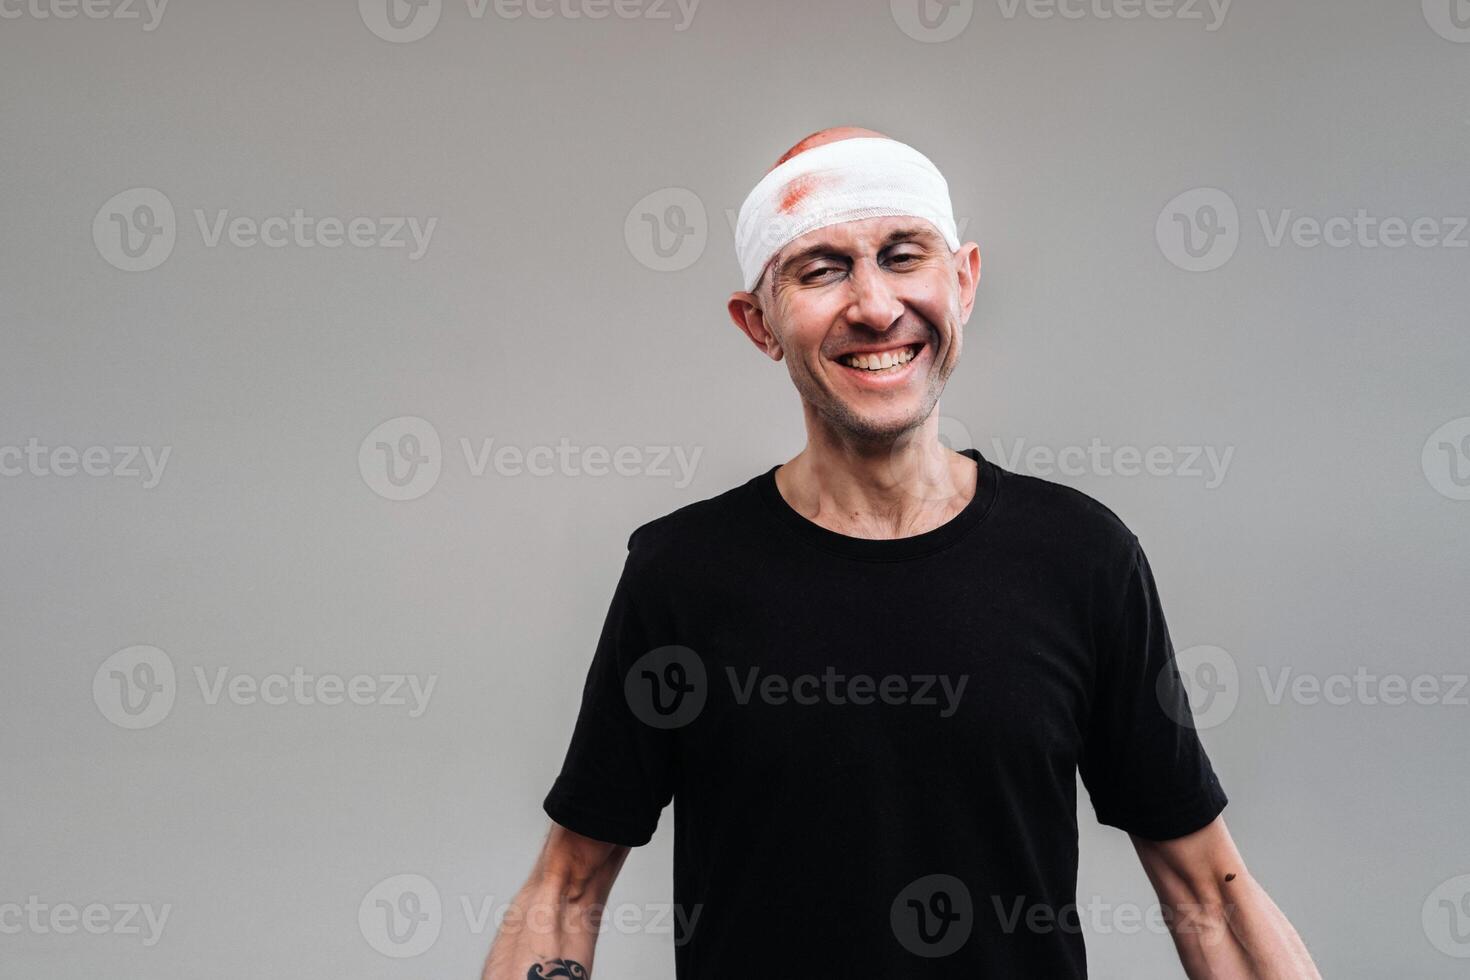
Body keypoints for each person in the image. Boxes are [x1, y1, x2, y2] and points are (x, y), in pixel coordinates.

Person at [482, 126, 1321, 979]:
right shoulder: (682, 576)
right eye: (820, 269)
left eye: (903, 255)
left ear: (963, 281)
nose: (876, 307)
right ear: (758, 323)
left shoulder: (1081, 559)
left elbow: (1208, 892)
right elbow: (567, 890)